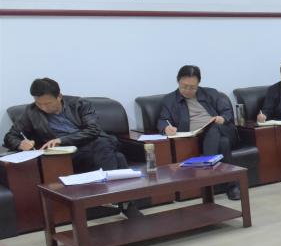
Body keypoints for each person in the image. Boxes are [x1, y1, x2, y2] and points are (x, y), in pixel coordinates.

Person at [3, 77, 141, 218]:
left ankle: (108, 196)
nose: (43, 107)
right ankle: (123, 202)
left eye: (48, 103)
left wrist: (61, 140)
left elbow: (93, 130)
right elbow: (10, 136)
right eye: (39, 103)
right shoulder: (31, 112)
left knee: (102, 144)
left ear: (59, 96)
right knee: (118, 157)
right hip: (71, 154)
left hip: (95, 144)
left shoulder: (79, 104)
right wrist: (20, 143)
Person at [157, 65, 241, 201]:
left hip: (223, 131)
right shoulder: (170, 100)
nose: (188, 90)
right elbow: (162, 120)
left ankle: (207, 179)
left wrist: (222, 118)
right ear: (178, 81)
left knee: (214, 129)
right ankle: (232, 186)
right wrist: (166, 128)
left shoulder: (211, 93)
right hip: (196, 138)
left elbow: (227, 111)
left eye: (192, 87)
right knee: (223, 143)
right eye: (184, 86)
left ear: (199, 83)